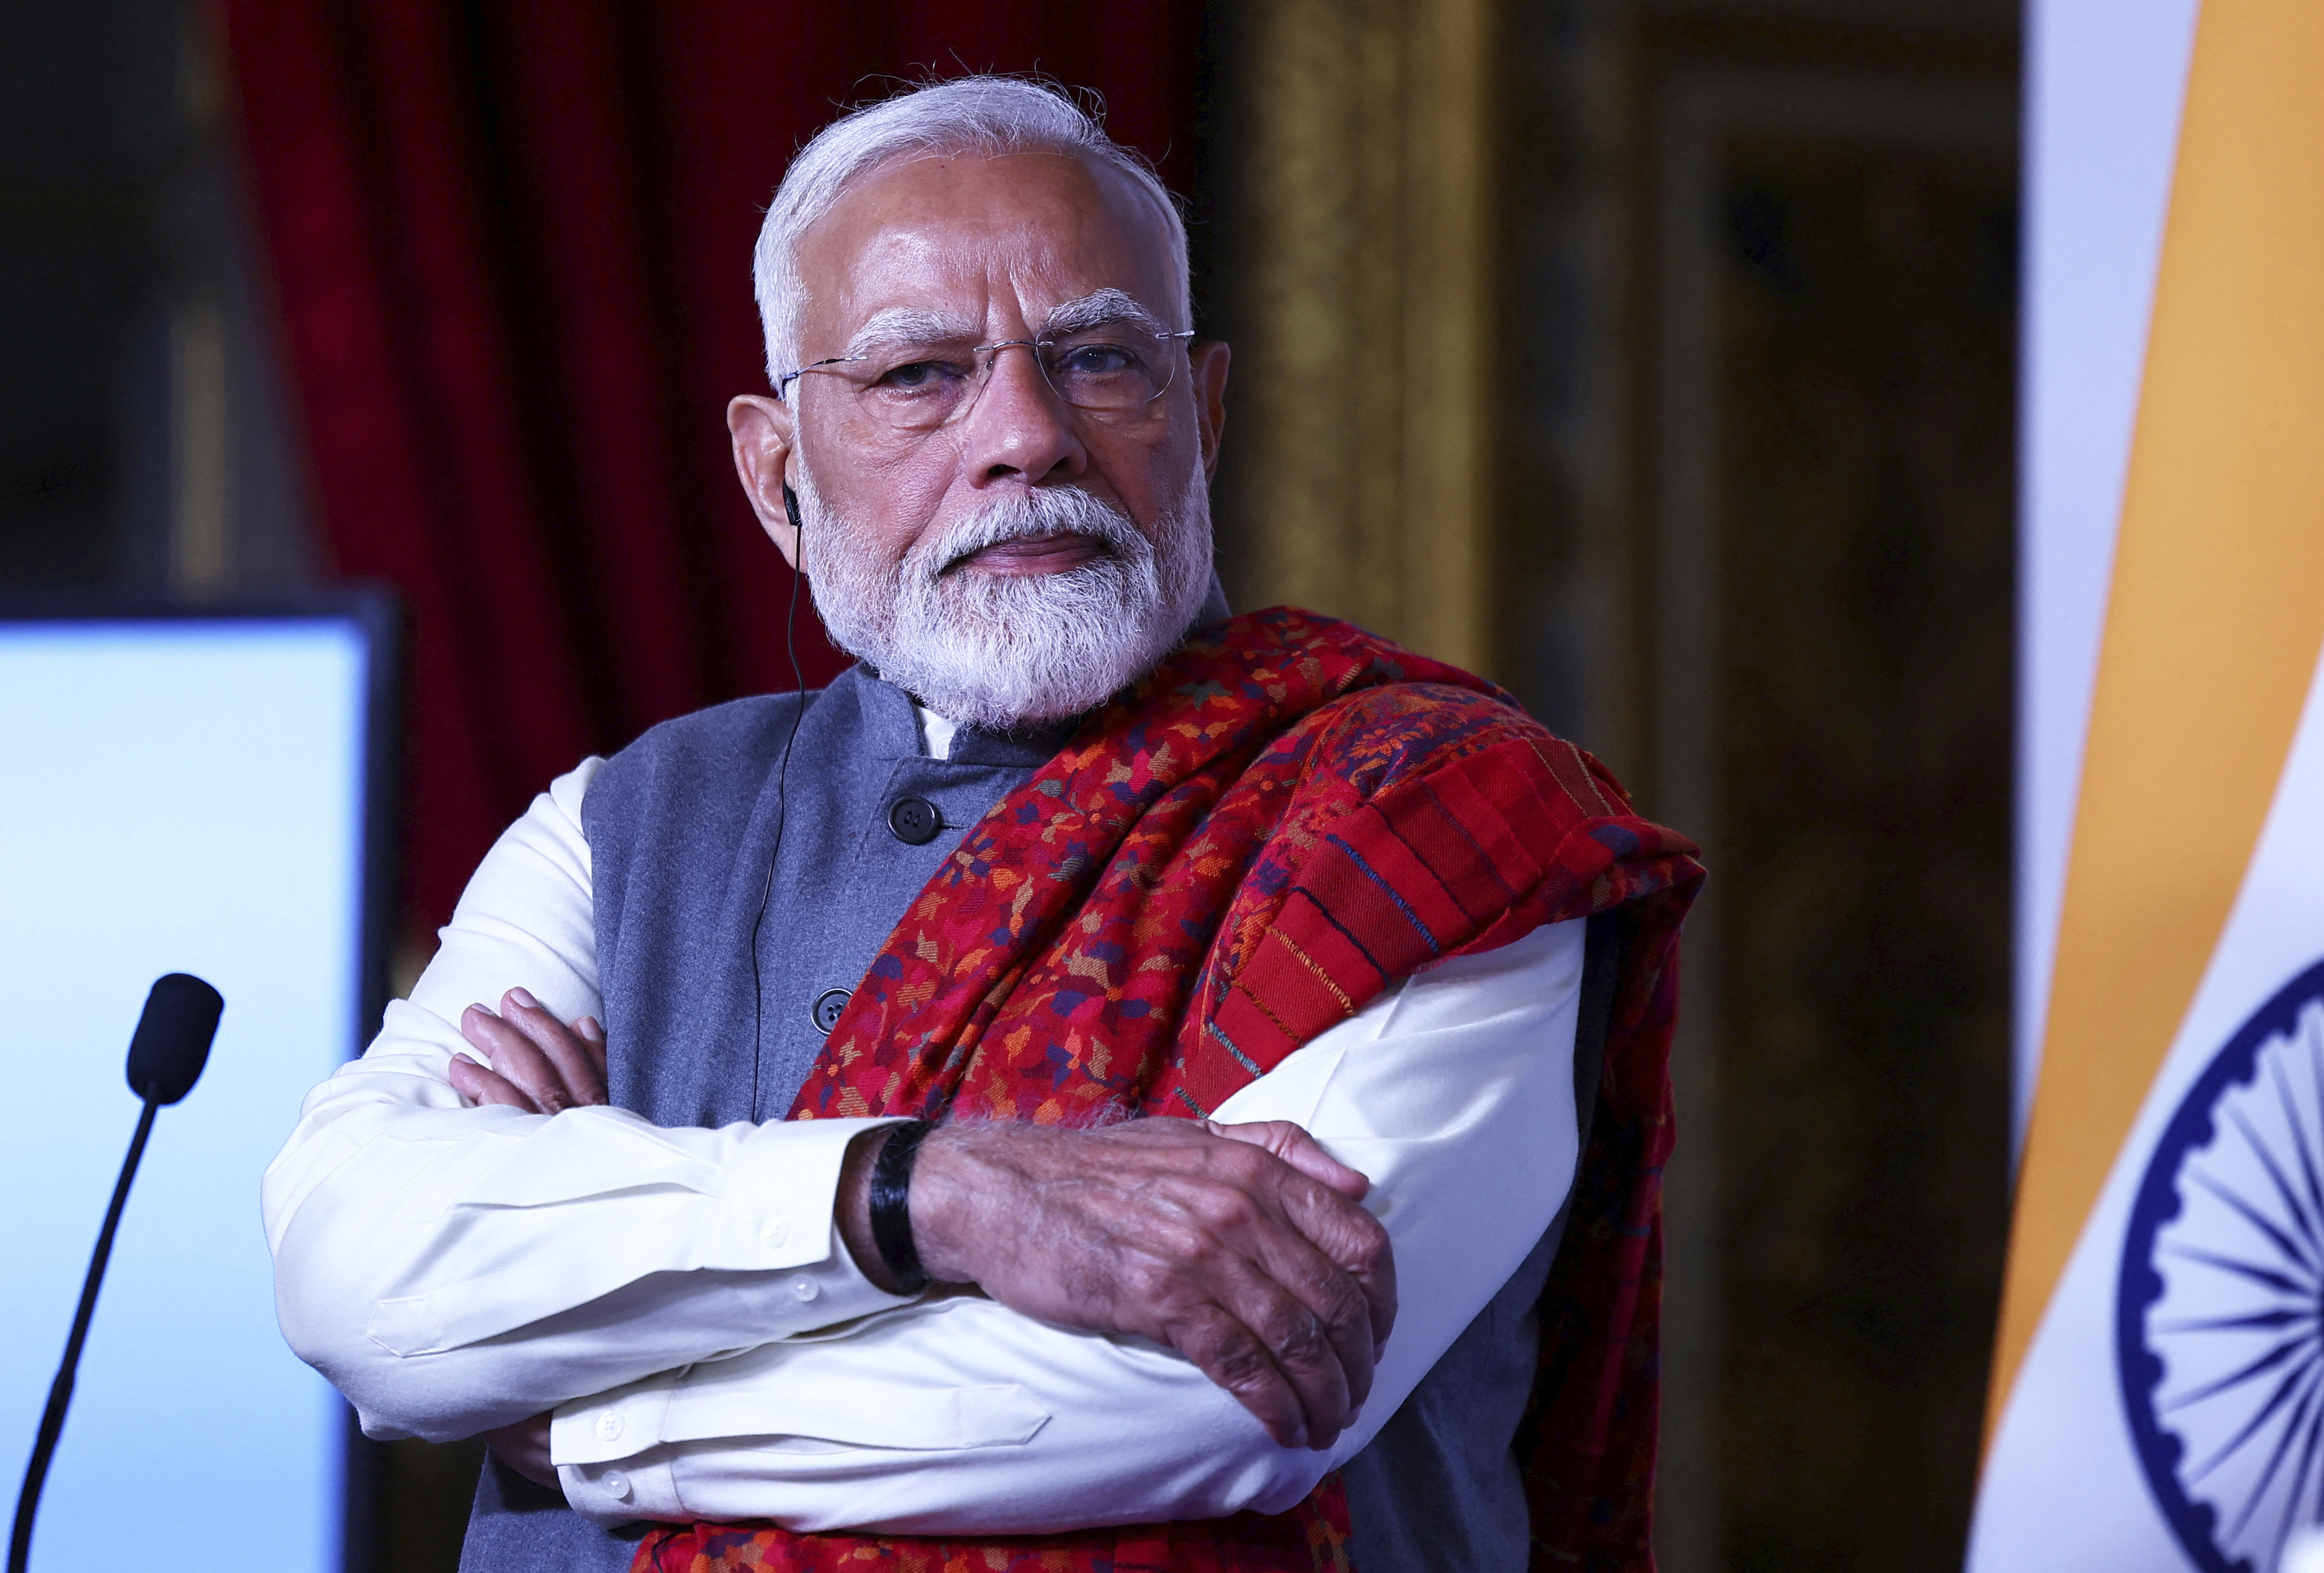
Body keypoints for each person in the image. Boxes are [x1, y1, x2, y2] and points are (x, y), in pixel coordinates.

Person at [263, 77, 1700, 1573]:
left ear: (1201, 415)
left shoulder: (1433, 822)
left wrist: (576, 1408)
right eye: (916, 377)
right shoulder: (621, 828)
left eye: (1096, 361)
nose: (1025, 437)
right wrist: (922, 1195)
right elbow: (350, 1278)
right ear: (777, 475)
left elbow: (1218, 1399)